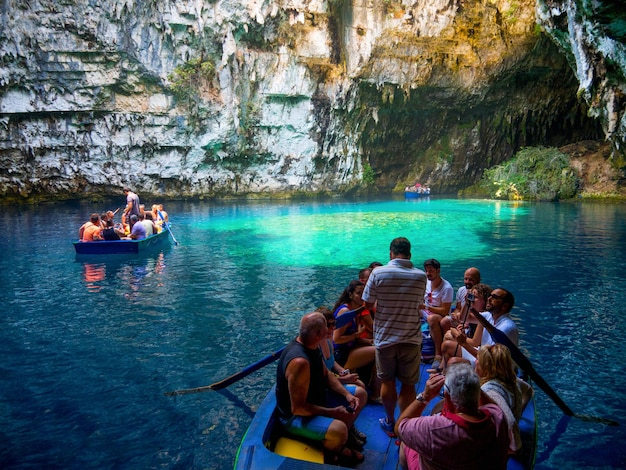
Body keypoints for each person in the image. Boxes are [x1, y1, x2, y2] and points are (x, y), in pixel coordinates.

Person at [276, 312, 367, 465]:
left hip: (317, 399)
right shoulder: (300, 363)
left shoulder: (313, 345)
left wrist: (346, 395)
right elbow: (298, 408)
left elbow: (327, 375)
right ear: (319, 333)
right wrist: (332, 412)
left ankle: (342, 438)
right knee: (339, 429)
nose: (330, 328)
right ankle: (332, 453)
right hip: (294, 417)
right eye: (327, 326)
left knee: (360, 394)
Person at [362, 237, 427, 437]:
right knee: (408, 384)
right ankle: (404, 424)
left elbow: (367, 304)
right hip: (410, 338)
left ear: (391, 253)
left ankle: (390, 422)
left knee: (388, 382)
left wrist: (383, 308)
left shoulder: (378, 273)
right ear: (410, 254)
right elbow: (418, 304)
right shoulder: (421, 276)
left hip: (385, 338)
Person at [395, 362, 510, 470]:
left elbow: (399, 427)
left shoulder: (433, 428)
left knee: (406, 442)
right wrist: (470, 383)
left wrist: (425, 396)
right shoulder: (497, 417)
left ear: (447, 396)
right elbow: (492, 406)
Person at [476, 343, 534, 455]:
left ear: (486, 366)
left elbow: (510, 422)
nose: (475, 362)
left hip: (499, 440)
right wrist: (519, 411)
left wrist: (514, 447)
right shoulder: (513, 380)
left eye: (478, 359)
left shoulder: (490, 391)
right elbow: (529, 390)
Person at [442, 287, 519, 366]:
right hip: (482, 355)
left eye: (494, 297)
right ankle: (443, 374)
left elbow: (490, 360)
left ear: (504, 306)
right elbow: (463, 318)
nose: (489, 299)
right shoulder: (489, 316)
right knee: (447, 345)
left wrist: (464, 343)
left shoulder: (506, 328)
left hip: (492, 366)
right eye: (490, 295)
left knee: (453, 361)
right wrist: (468, 303)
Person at [419, 259, 454, 371]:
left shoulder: (446, 288)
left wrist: (426, 307)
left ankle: (438, 354)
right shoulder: (426, 282)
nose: (428, 273)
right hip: (426, 311)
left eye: (431, 271)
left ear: (438, 271)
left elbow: (444, 310)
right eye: (426, 271)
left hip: (439, 315)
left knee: (432, 318)